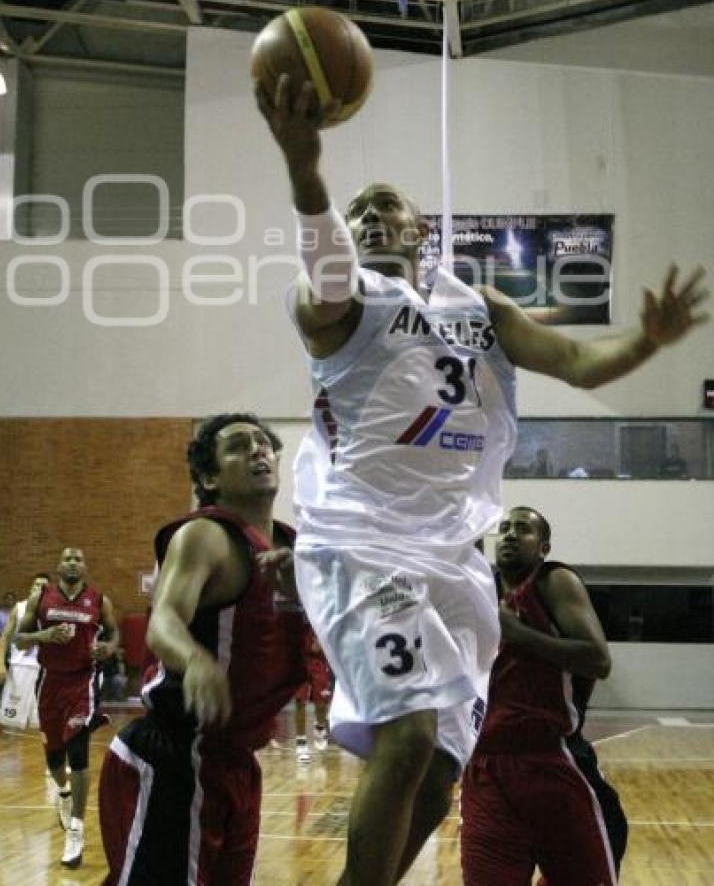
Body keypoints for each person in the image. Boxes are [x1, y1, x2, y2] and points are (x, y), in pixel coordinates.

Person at [255, 70, 708, 886]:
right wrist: (303, 166)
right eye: (356, 213)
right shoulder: (341, 297)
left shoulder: (480, 305)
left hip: (453, 555)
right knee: (406, 735)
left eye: (383, 205)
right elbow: (321, 257)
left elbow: (575, 359)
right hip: (363, 541)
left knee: (439, 766)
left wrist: (645, 342)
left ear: (421, 228)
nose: (367, 218)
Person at [98, 413, 307, 886]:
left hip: (236, 763)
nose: (258, 451)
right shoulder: (206, 536)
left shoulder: (296, 549)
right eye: (238, 446)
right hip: (176, 755)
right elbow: (164, 620)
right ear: (210, 477)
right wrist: (193, 658)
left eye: (264, 443)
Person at [460, 506, 628, 885]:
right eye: (504, 528)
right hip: (486, 766)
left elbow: (598, 660)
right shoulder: (480, 595)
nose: (510, 535)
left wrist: (520, 636)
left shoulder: (552, 582)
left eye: (523, 529)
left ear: (543, 547)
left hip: (550, 760)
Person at [20, 547, 118, 869]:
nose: (73, 562)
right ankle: (62, 792)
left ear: (85, 566)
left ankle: (75, 830)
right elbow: (18, 638)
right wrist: (44, 634)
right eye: (68, 559)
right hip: (49, 682)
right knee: (54, 758)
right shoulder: (41, 598)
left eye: (78, 558)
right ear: (59, 566)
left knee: (78, 751)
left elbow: (114, 633)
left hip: (82, 682)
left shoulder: (99, 601)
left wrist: (109, 647)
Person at [0, 573, 51, 743]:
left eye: (44, 586)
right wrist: (0, 663)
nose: (40, 588)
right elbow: (4, 638)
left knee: (46, 721)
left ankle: (53, 764)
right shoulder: (20, 607)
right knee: (4, 717)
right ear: (31, 588)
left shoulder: (53, 612)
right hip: (21, 668)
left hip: (44, 670)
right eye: (36, 584)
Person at [294, 626, 333, 761]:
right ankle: (301, 744)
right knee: (300, 701)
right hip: (300, 657)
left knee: (321, 703)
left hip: (318, 660)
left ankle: (320, 727)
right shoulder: (295, 610)